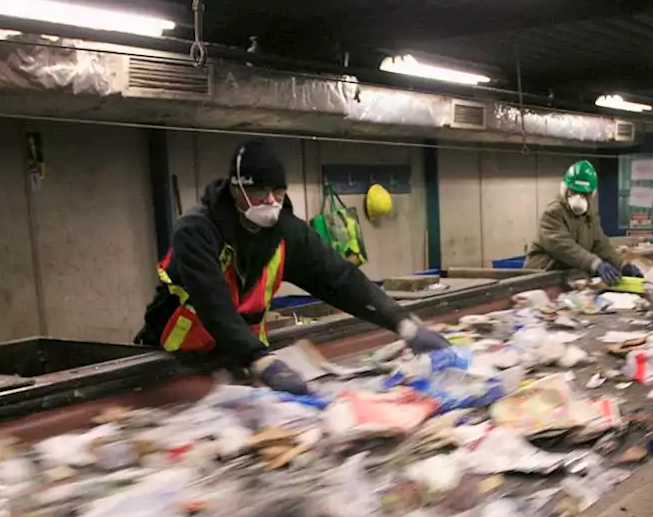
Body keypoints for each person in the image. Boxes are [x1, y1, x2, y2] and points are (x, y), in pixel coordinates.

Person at [136, 139, 449, 395]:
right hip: (173, 363)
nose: (271, 201)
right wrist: (261, 361)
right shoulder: (197, 230)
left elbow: (338, 279)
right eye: (260, 191)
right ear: (236, 189)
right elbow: (213, 304)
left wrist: (403, 323)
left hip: (236, 363)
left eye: (279, 191)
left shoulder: (286, 232)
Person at [525, 160, 641, 284]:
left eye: (585, 194)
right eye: (574, 192)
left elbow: (600, 244)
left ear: (592, 194)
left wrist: (622, 265)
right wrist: (595, 264)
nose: (579, 198)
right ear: (565, 189)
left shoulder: (589, 214)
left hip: (566, 277)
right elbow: (564, 247)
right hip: (542, 277)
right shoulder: (553, 213)